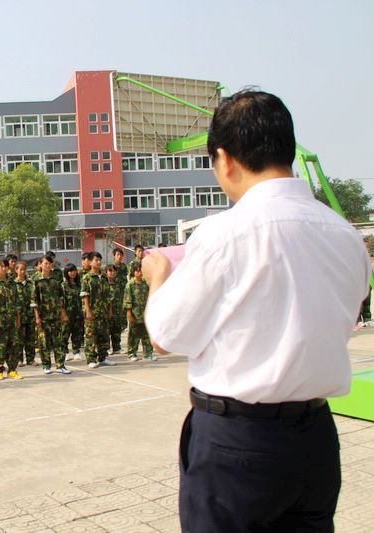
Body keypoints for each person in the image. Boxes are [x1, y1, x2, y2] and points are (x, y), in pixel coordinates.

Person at [143, 90, 371, 531]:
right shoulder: (346, 237)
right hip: (316, 439)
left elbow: (165, 337)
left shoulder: (223, 234)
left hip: (239, 444)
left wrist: (159, 277)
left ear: (225, 159)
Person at [32, 253, 70, 374]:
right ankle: (46, 365)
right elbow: (34, 300)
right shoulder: (36, 280)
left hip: (55, 315)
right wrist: (37, 316)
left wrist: (63, 313)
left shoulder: (55, 280)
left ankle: (60, 365)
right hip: (43, 316)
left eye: (50, 263)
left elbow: (60, 297)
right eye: (45, 263)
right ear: (41, 265)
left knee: (58, 341)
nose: (48, 266)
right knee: (44, 342)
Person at [0, 258, 21, 380]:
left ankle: (12, 369)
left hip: (11, 319)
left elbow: (17, 303)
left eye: (5, 266)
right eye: (1, 266)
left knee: (13, 345)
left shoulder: (12, 283)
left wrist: (18, 319)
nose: (4, 268)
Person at [81, 252, 116, 368]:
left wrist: (109, 309)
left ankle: (103, 357)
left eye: (100, 260)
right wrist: (88, 311)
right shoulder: (87, 277)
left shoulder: (104, 277)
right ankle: (90, 359)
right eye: (96, 260)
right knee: (91, 335)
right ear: (90, 262)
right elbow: (85, 295)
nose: (99, 262)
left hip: (103, 311)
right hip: (93, 311)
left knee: (104, 335)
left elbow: (108, 295)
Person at [124, 264, 155, 361]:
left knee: (146, 335)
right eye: (137, 271)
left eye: (141, 271)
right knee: (134, 335)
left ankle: (147, 353)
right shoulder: (130, 285)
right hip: (135, 314)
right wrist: (129, 314)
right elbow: (128, 300)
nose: (139, 273)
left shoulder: (145, 284)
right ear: (133, 272)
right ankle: (132, 353)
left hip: (145, 314)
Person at [14, 261, 36, 366]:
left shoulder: (31, 283)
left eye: (24, 269)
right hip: (19, 316)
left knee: (30, 339)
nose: (23, 271)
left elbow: (34, 298)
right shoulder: (13, 284)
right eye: (20, 269)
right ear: (16, 270)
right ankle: (19, 359)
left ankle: (30, 359)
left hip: (30, 315)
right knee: (19, 339)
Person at [61, 264, 84, 359]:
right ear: (66, 273)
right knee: (65, 333)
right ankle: (64, 352)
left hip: (78, 313)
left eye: (74, 270)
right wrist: (64, 314)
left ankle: (76, 351)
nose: (73, 273)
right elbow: (61, 301)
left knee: (77, 333)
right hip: (68, 313)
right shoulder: (63, 286)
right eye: (70, 271)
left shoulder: (80, 284)